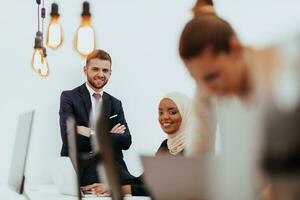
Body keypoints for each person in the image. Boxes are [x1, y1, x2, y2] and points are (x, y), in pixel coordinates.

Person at [178, 1, 299, 199]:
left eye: (212, 77)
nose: (208, 90)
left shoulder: (282, 72)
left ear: (235, 49)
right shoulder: (228, 92)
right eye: (196, 79)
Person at [59, 49, 136, 191]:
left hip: (114, 170)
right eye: (95, 69)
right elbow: (69, 138)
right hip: (81, 172)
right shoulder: (69, 97)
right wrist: (110, 136)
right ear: (85, 69)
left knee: (145, 186)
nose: (101, 74)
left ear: (110, 73)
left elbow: (126, 141)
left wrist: (89, 132)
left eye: (105, 71)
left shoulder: (115, 103)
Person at [120, 92, 195, 196]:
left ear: (186, 114)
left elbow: (174, 188)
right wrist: (112, 186)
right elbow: (145, 179)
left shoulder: (196, 147)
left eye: (172, 112)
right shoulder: (166, 145)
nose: (164, 117)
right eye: (161, 113)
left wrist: (130, 190)